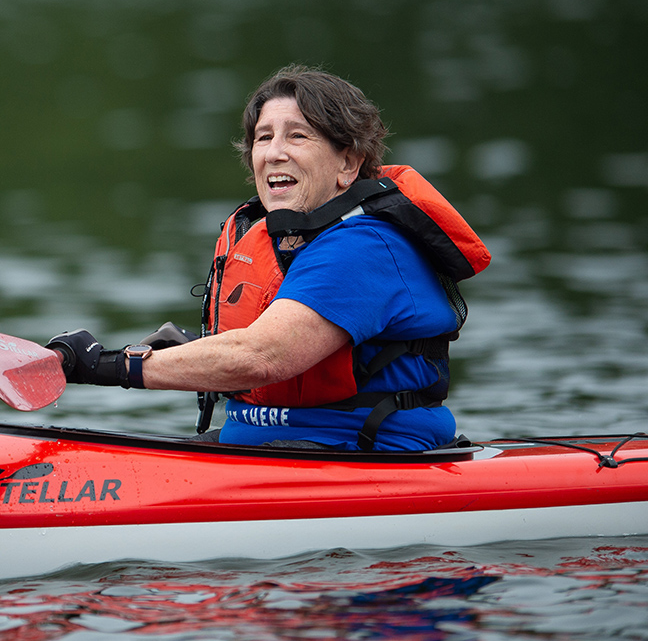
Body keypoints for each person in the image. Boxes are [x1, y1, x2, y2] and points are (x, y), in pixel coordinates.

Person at [47, 65, 490, 451]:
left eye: (298, 135)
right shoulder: (283, 238)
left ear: (348, 164)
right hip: (259, 448)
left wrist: (106, 364)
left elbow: (263, 356)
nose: (274, 152)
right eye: (263, 137)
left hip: (358, 453)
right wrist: (196, 352)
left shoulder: (366, 246)